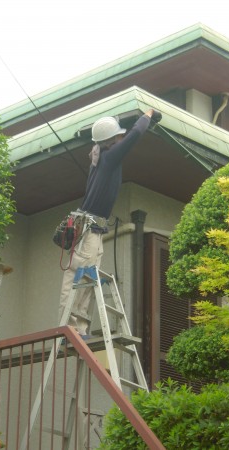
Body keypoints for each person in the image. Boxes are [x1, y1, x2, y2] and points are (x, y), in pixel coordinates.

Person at [58, 108, 162, 337]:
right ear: (111, 141)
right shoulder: (108, 156)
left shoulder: (100, 157)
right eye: (118, 136)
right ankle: (70, 330)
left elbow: (127, 138)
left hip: (93, 229)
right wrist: (147, 116)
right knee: (78, 275)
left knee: (85, 277)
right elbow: (134, 136)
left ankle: (80, 328)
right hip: (90, 230)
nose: (122, 138)